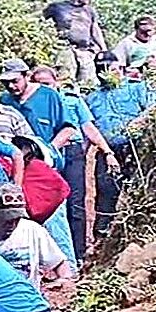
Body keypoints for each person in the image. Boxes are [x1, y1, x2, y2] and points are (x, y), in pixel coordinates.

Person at [31, 65, 120, 263]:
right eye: (38, 85)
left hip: (71, 153)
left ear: (56, 83)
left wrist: (107, 151)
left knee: (75, 202)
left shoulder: (71, 100)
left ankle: (77, 254)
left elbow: (88, 127)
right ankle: (52, 258)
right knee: (47, 204)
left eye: (46, 84)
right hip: (43, 156)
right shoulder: (30, 104)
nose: (43, 89)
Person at [0, 58, 79, 273]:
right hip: (14, 169)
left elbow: (68, 128)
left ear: (26, 76)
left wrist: (47, 150)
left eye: (15, 81)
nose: (11, 87)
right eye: (7, 83)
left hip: (44, 167)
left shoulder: (49, 96)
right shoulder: (4, 101)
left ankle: (68, 268)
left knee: (54, 215)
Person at [86, 51, 156, 237]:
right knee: (106, 192)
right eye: (101, 69)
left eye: (110, 68)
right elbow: (89, 127)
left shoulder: (137, 88)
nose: (105, 73)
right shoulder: (92, 98)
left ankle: (141, 232)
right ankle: (101, 237)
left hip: (137, 147)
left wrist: (138, 123)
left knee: (140, 189)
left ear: (120, 68)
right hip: (108, 151)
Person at [0, 182, 74, 288]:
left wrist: (64, 280)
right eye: (6, 219)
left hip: (27, 307)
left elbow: (59, 263)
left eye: (17, 219)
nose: (13, 225)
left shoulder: (32, 230)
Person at [43, 0, 107, 84]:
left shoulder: (89, 10)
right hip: (63, 49)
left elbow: (95, 29)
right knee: (65, 80)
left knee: (88, 83)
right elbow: (41, 23)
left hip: (85, 51)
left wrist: (104, 49)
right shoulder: (57, 8)